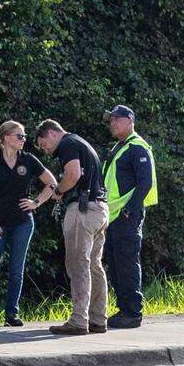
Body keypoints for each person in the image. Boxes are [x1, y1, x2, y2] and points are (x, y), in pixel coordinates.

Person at [0, 120, 57, 327]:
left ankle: (11, 314)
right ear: (6, 137)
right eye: (20, 136)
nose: (24, 140)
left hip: (22, 223)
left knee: (16, 269)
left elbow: (52, 182)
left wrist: (36, 202)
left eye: (24, 136)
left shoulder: (28, 160)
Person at [34, 119, 109, 335]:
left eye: (43, 143)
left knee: (78, 264)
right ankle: (98, 319)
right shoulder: (81, 143)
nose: (44, 150)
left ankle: (79, 320)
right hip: (100, 208)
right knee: (94, 265)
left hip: (82, 210)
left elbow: (73, 175)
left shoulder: (67, 144)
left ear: (51, 133)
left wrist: (58, 192)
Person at [101, 104, 158, 329]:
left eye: (117, 119)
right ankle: (123, 309)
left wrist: (129, 210)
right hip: (113, 215)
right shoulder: (119, 147)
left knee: (126, 263)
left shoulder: (137, 147)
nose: (112, 123)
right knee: (115, 265)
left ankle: (133, 312)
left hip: (126, 216)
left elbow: (145, 182)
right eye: (111, 120)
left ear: (130, 120)